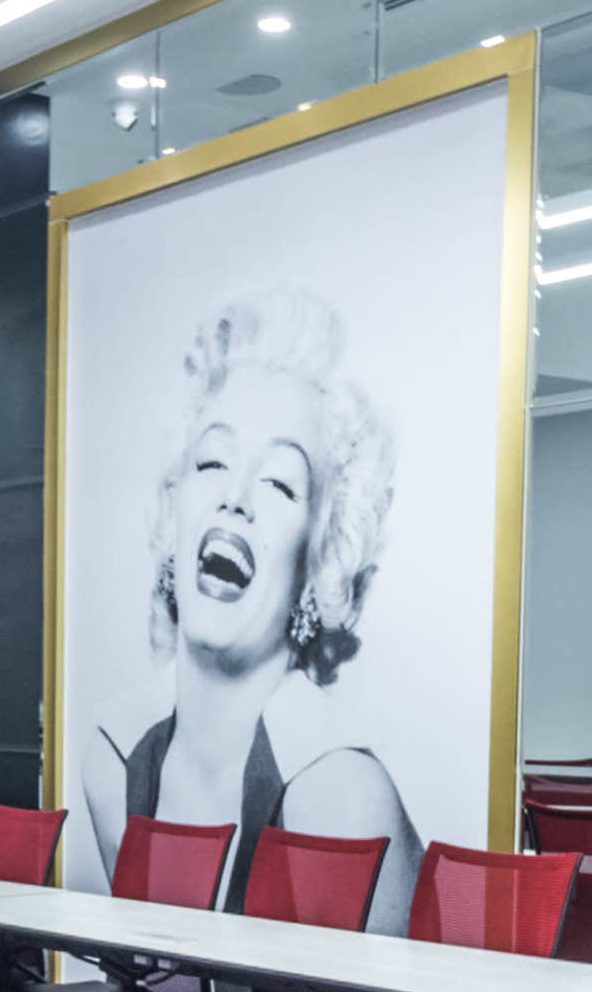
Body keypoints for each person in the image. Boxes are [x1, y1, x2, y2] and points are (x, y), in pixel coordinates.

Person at [79, 290, 421, 934]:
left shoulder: (341, 795)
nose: (236, 498)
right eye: (212, 462)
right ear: (173, 508)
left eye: (280, 483)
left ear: (318, 564)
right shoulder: (115, 768)